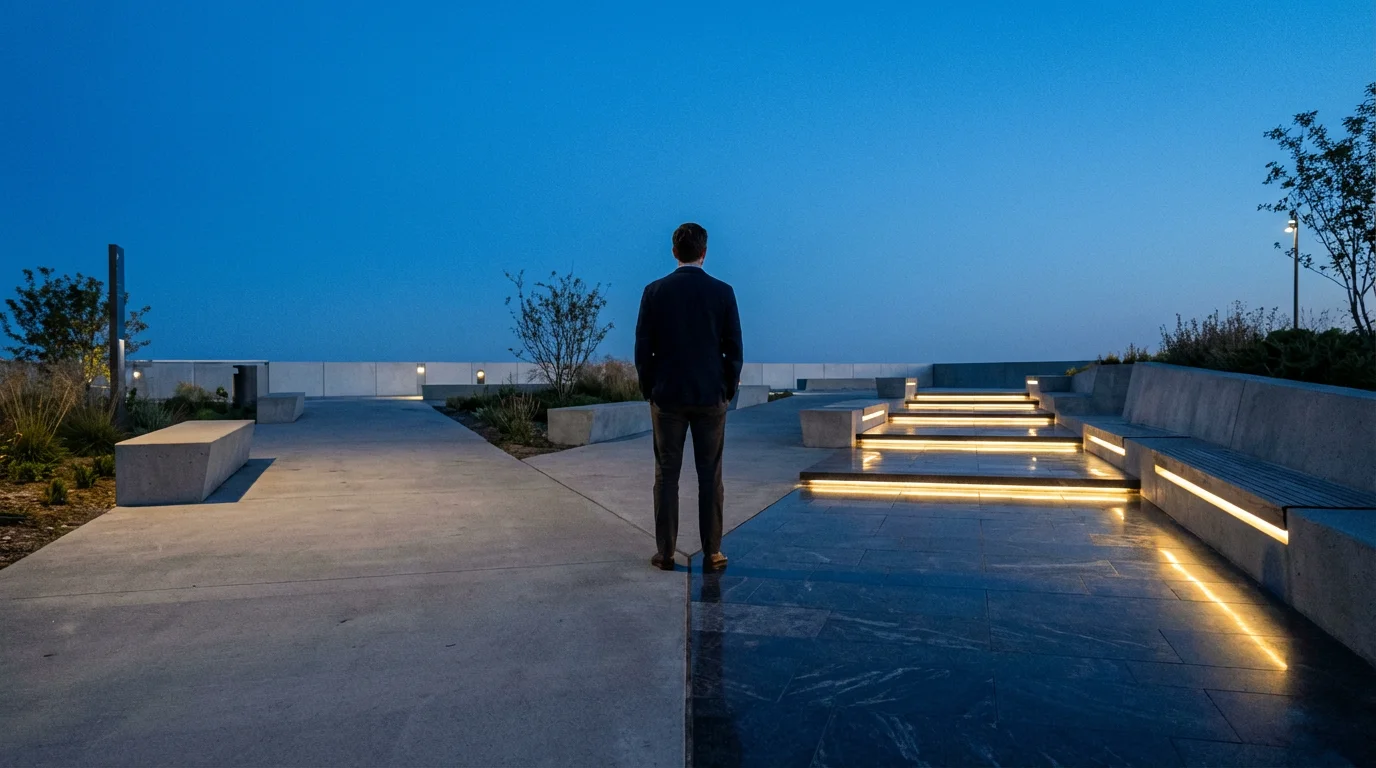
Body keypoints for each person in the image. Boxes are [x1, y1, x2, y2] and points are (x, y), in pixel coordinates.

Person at [634, 222, 743, 571]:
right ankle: (713, 552)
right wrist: (727, 389)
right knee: (710, 476)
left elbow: (643, 349)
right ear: (704, 253)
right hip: (710, 397)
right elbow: (733, 349)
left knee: (667, 476)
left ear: (674, 252)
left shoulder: (654, 292)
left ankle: (665, 552)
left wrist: (649, 389)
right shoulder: (723, 292)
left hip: (667, 397)